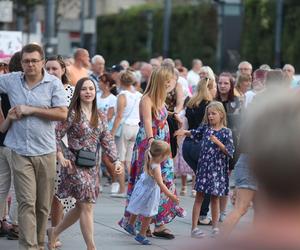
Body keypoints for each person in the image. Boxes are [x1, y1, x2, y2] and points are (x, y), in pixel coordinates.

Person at [0, 43, 68, 250]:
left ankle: (39, 244)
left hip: (46, 151)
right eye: (26, 61)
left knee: (42, 205)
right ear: (21, 63)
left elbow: (62, 113)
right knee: (26, 202)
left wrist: (31, 109)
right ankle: (28, 247)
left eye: (34, 61)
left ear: (42, 63)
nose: (30, 65)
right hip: (19, 150)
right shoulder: (11, 81)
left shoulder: (53, 84)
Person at [47, 77, 122, 250]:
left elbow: (107, 140)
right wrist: (61, 155)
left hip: (91, 165)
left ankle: (55, 231)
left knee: (82, 206)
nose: (88, 92)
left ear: (95, 93)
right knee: (86, 206)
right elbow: (56, 135)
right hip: (73, 164)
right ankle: (91, 247)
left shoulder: (100, 115)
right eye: (84, 89)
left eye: (91, 89)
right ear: (78, 92)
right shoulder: (71, 113)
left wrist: (116, 160)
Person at [119, 65, 185, 239]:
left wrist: (171, 115)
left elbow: (160, 114)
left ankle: (158, 222)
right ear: (163, 81)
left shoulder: (160, 98)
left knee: (165, 179)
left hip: (163, 143)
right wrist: (151, 141)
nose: (173, 83)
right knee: (148, 182)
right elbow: (148, 121)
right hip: (152, 144)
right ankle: (141, 223)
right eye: (171, 80)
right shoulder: (146, 99)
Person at [175, 101, 234, 237]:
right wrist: (184, 132)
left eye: (213, 114)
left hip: (217, 171)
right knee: (199, 198)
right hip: (204, 169)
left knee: (215, 198)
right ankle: (194, 229)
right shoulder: (206, 128)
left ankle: (215, 228)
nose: (210, 117)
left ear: (221, 114)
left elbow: (230, 152)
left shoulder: (226, 132)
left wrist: (217, 142)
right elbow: (194, 133)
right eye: (209, 114)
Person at [45, 55, 75, 248]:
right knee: (48, 193)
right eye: (47, 68)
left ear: (63, 70)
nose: (51, 72)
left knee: (61, 194)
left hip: (67, 146)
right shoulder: (41, 89)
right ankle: (51, 232)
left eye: (55, 68)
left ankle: (54, 231)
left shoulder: (72, 91)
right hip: (45, 144)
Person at [124, 140, 179, 245]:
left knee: (137, 206)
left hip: (143, 187)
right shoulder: (156, 166)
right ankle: (141, 235)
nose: (166, 158)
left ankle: (130, 225)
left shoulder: (149, 157)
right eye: (166, 156)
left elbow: (154, 177)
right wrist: (171, 196)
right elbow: (161, 184)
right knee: (149, 214)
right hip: (150, 192)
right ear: (161, 155)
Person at [0, 51, 22, 240]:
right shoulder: (19, 88)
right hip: (15, 141)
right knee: (16, 186)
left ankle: (0, 221)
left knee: (2, 185)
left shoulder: (3, 87)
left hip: (1, 141)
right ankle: (15, 224)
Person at [111, 70, 142, 198]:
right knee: (129, 160)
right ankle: (133, 188)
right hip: (136, 126)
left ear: (121, 81)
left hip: (125, 126)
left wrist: (112, 132)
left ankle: (122, 189)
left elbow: (119, 116)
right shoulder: (140, 95)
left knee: (120, 159)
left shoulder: (122, 95)